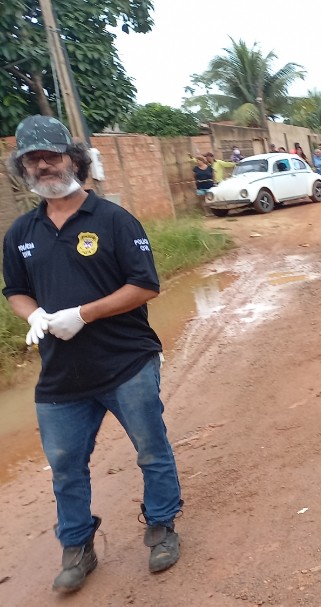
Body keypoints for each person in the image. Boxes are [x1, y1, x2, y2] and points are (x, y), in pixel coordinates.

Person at [2, 115, 184, 593]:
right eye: (32, 159)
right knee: (64, 467)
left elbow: (145, 285)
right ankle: (77, 546)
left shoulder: (113, 220)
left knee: (151, 450)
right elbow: (15, 290)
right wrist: (34, 316)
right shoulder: (20, 232)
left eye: (51, 155)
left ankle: (162, 524)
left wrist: (83, 314)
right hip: (60, 375)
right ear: (21, 167)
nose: (43, 165)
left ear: (73, 160)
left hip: (126, 363)